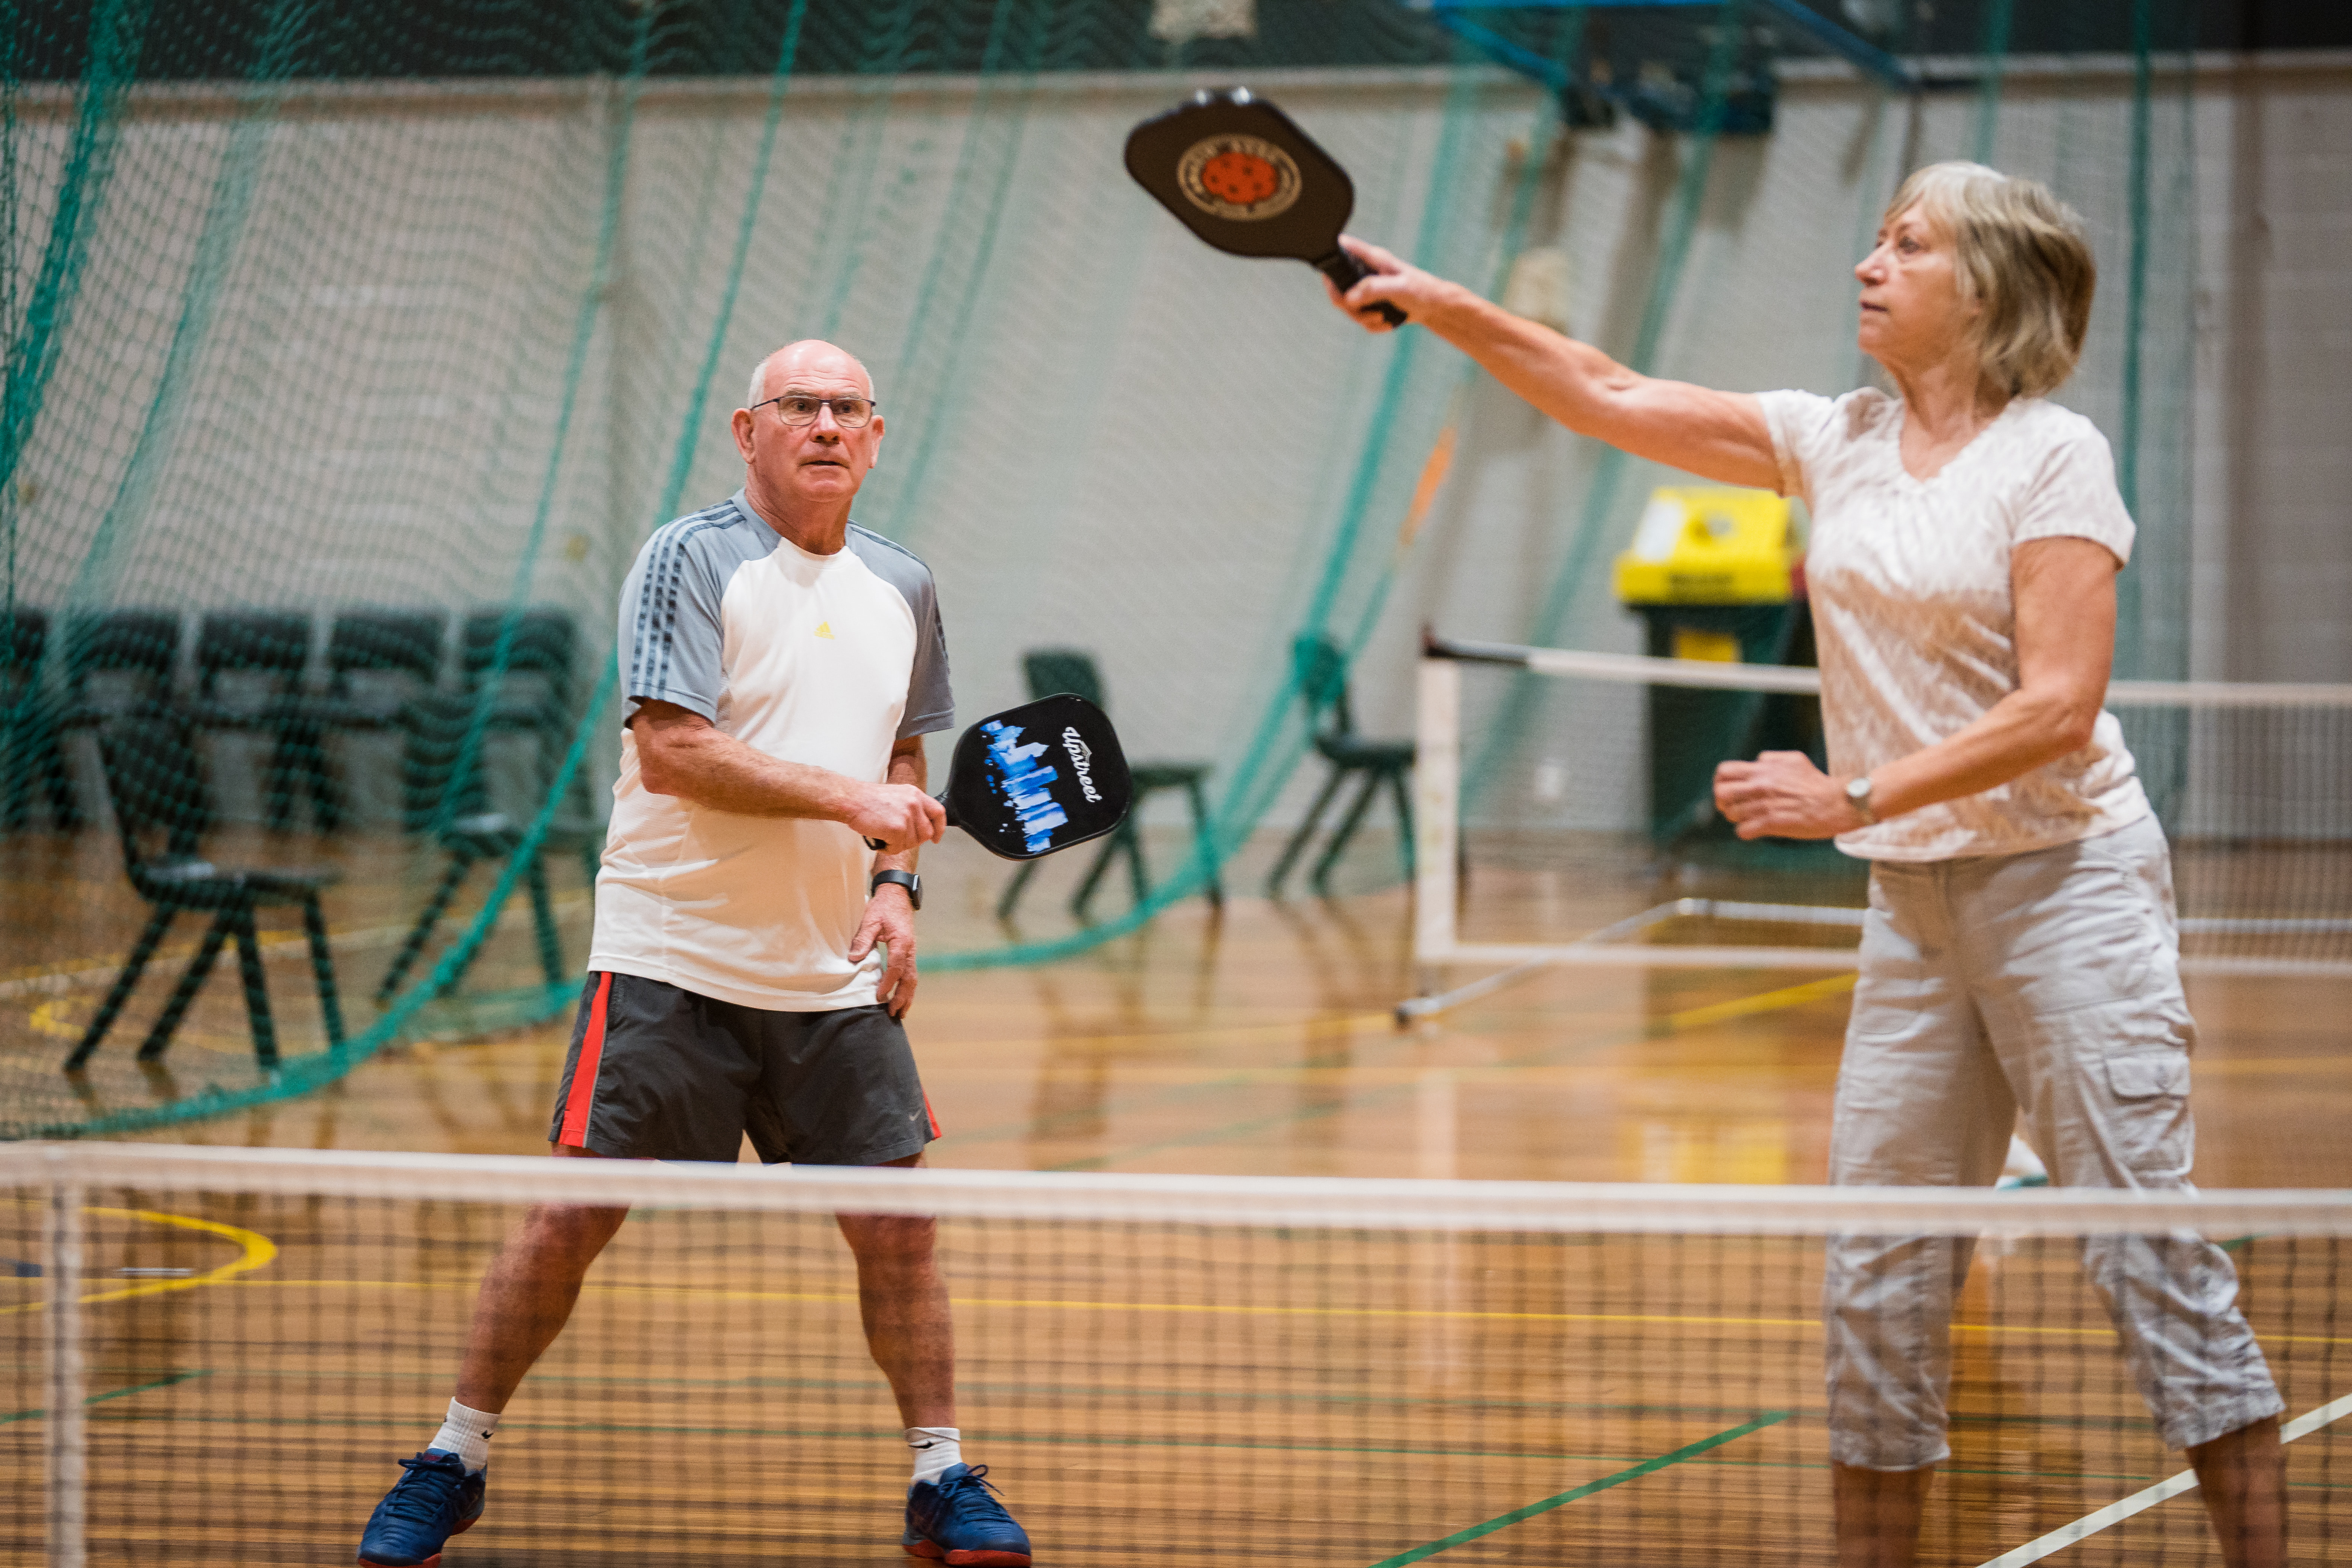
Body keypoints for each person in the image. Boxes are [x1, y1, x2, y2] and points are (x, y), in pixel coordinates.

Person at [1324, 163, 2285, 1568]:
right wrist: (1443, 304)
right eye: (1875, 239)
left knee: (2147, 1256)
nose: (1867, 264)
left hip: (2064, 888)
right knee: (1879, 1280)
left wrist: (1852, 793)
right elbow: (1604, 390)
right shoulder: (1829, 436)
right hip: (1912, 908)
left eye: (1908, 245)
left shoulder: (2051, 454)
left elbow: (2058, 704)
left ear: (1988, 290)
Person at [357, 340, 1033, 1568]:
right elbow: (673, 749)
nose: (824, 425)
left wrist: (895, 887)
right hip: (674, 949)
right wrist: (851, 805)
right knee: (574, 1212)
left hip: (832, 966)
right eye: (798, 407)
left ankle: (941, 1477)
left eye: (846, 409)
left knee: (900, 1229)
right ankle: (453, 1456)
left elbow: (903, 759)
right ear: (749, 429)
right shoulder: (692, 556)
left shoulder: (904, 584)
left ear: (875, 437)